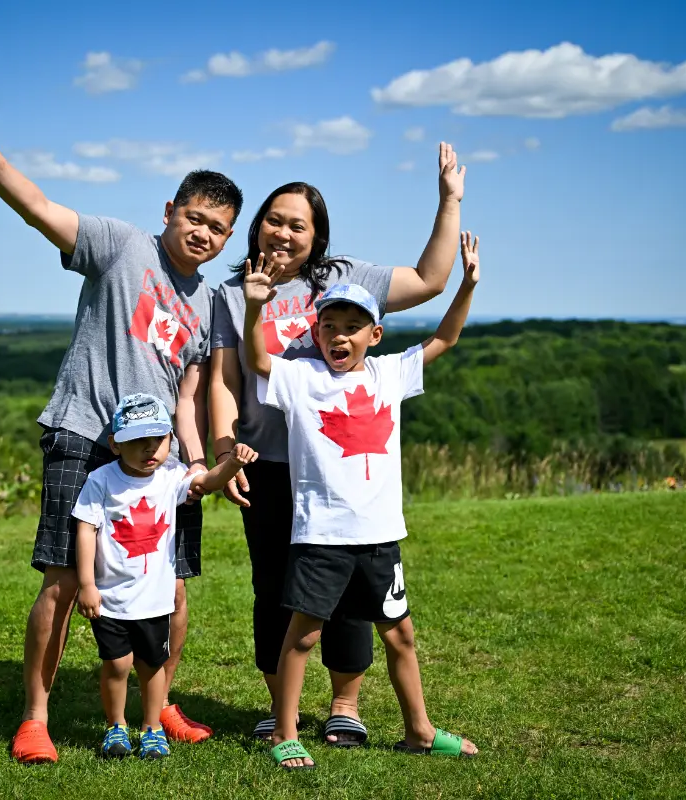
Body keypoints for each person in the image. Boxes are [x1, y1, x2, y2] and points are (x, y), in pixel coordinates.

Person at [0, 71, 243, 763]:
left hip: (160, 455)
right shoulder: (119, 245)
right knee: (67, 578)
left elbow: (189, 395)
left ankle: (158, 707)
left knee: (171, 581)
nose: (203, 234)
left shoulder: (209, 305)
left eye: (218, 229)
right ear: (169, 210)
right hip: (84, 430)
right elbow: (38, 206)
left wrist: (195, 462)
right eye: (195, 218)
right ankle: (36, 717)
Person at [208, 144, 466, 746]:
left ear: (317, 236)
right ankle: (284, 710)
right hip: (267, 465)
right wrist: (225, 450)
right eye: (274, 218)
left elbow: (430, 280)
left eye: (299, 224)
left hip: (342, 471)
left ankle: (345, 704)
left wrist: (449, 201)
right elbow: (227, 379)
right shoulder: (231, 293)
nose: (284, 231)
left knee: (353, 594)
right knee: (274, 588)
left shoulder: (343, 280)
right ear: (258, 224)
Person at [240, 231, 483, 770]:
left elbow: (445, 339)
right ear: (315, 331)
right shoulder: (300, 377)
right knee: (301, 638)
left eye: (353, 327)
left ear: (374, 334)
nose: (339, 336)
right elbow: (257, 359)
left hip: (380, 539)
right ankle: (286, 733)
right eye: (329, 326)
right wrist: (255, 309)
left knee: (401, 635)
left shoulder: (388, 373)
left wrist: (464, 287)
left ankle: (420, 731)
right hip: (320, 539)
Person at [74, 393, 258, 759]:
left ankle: (152, 727)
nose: (149, 449)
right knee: (117, 664)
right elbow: (85, 528)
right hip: (110, 598)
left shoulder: (172, 475)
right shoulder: (101, 480)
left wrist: (233, 464)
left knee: (152, 665)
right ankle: (116, 726)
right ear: (115, 444)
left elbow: (205, 483)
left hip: (155, 599)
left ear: (170, 441)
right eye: (137, 441)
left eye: (157, 440)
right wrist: (87, 584)